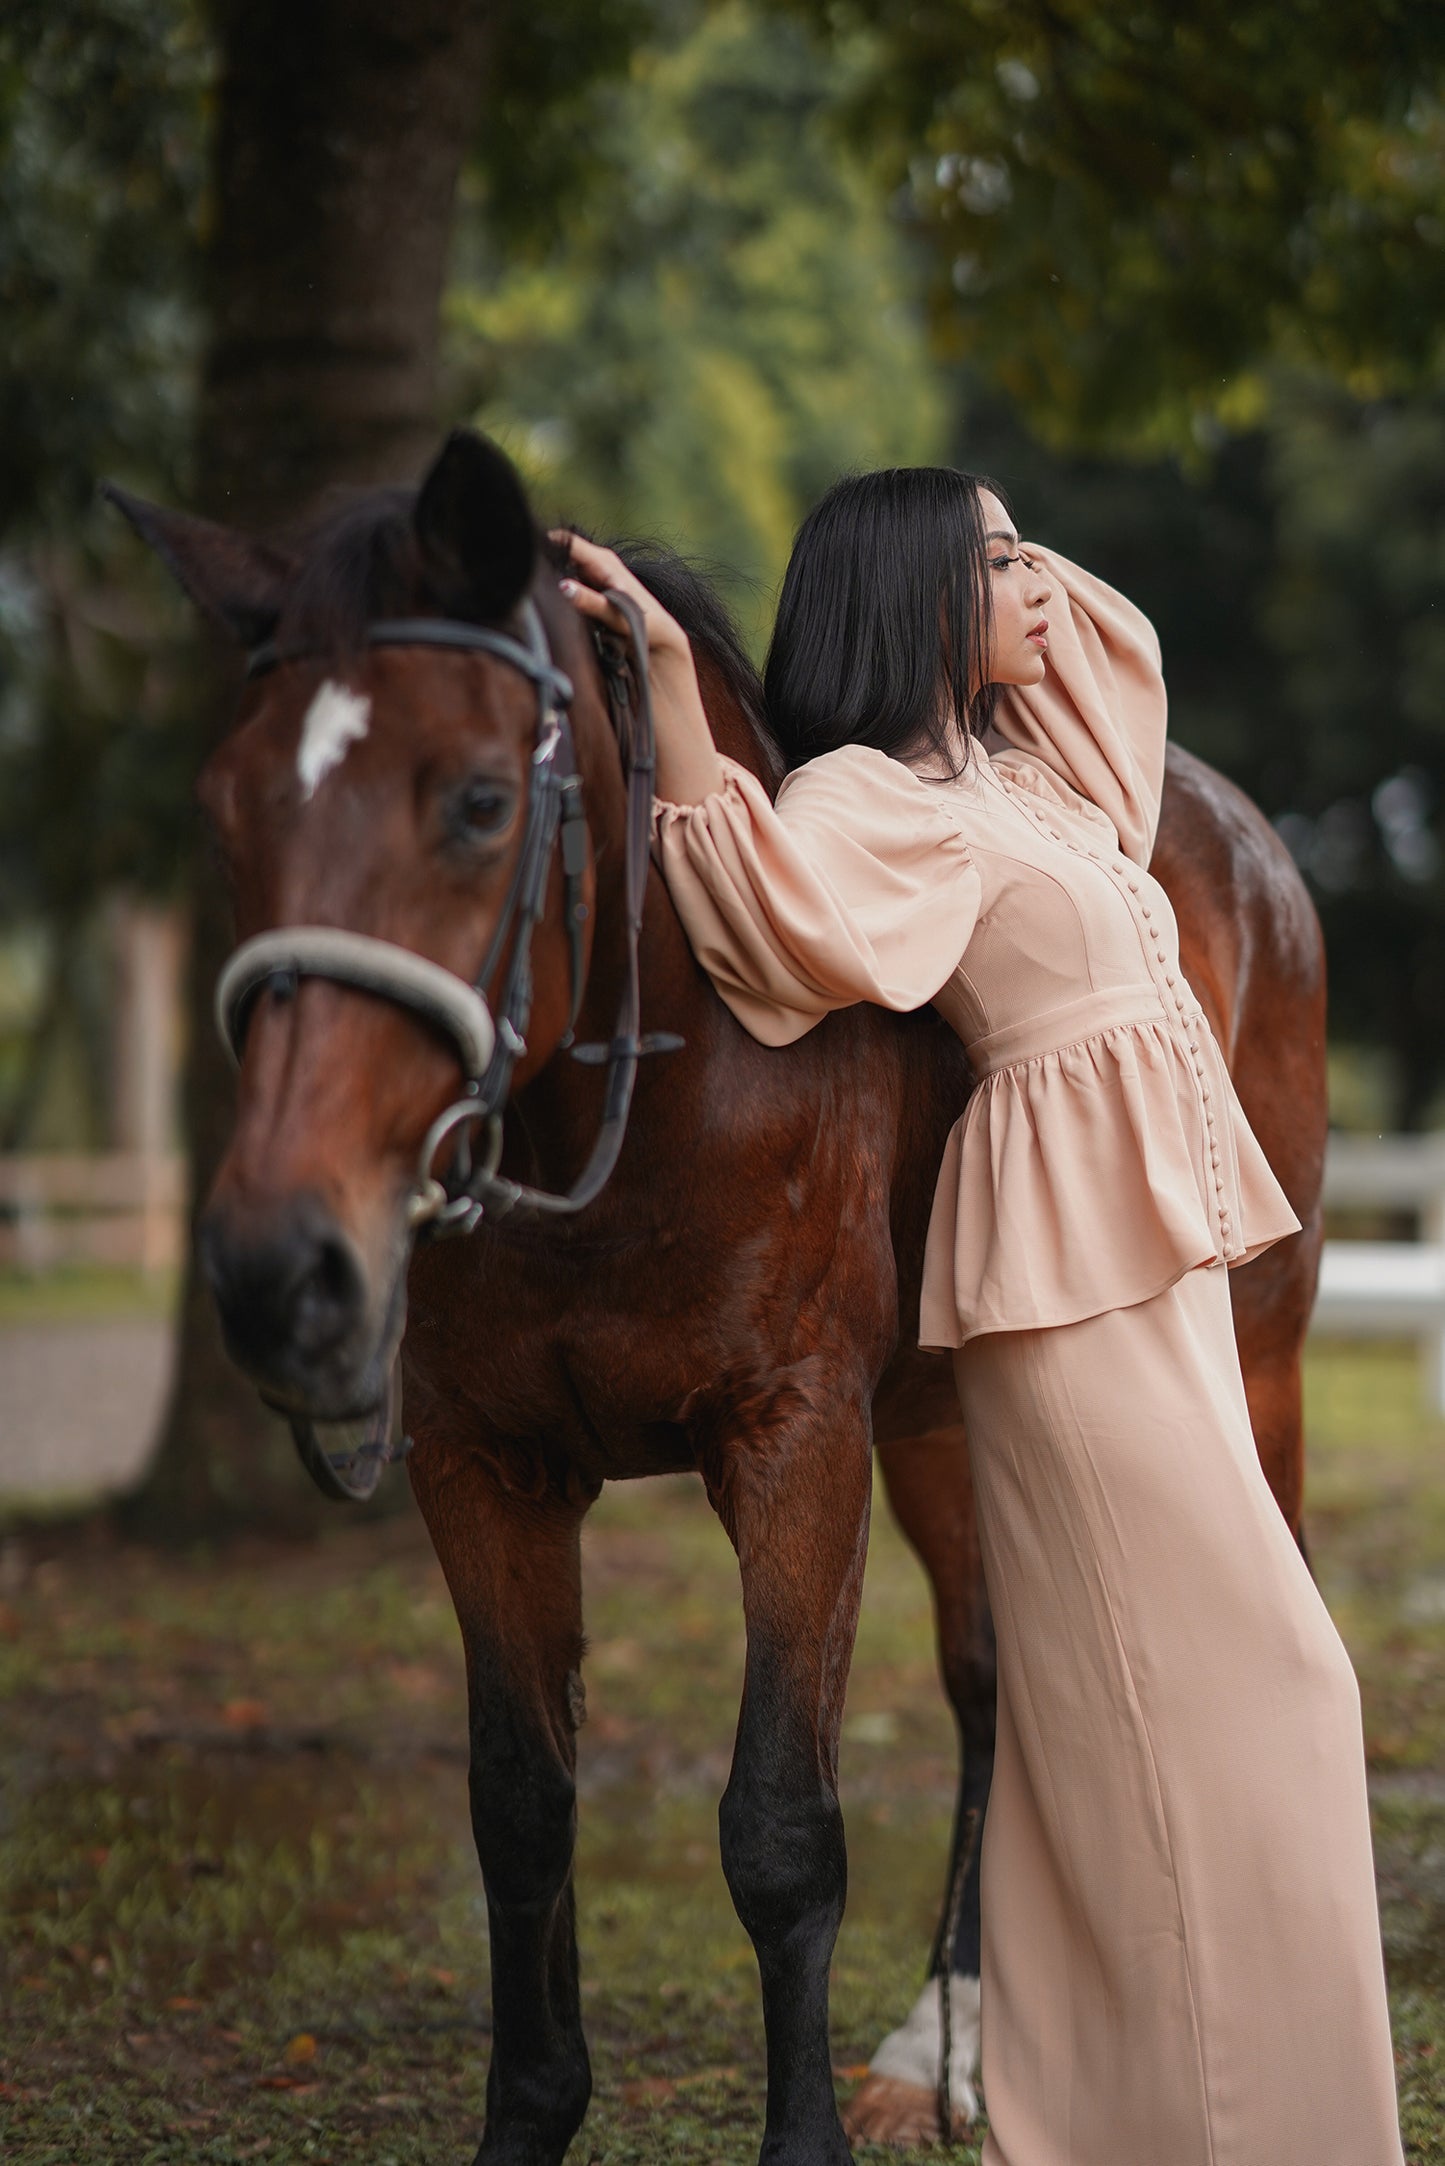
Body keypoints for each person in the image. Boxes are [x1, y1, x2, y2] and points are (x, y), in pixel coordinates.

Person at [554, 469, 1404, 2166]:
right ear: (914, 593)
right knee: (1240, 1697)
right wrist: (664, 671)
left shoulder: (1037, 772)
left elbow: (1120, 649)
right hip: (1060, 1287)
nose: (1041, 586)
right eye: (998, 560)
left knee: (1219, 1705)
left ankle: (1215, 2121)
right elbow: (765, 917)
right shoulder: (872, 799)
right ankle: (1175, 2121)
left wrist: (985, 574)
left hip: (1149, 1268)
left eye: (1027, 553)